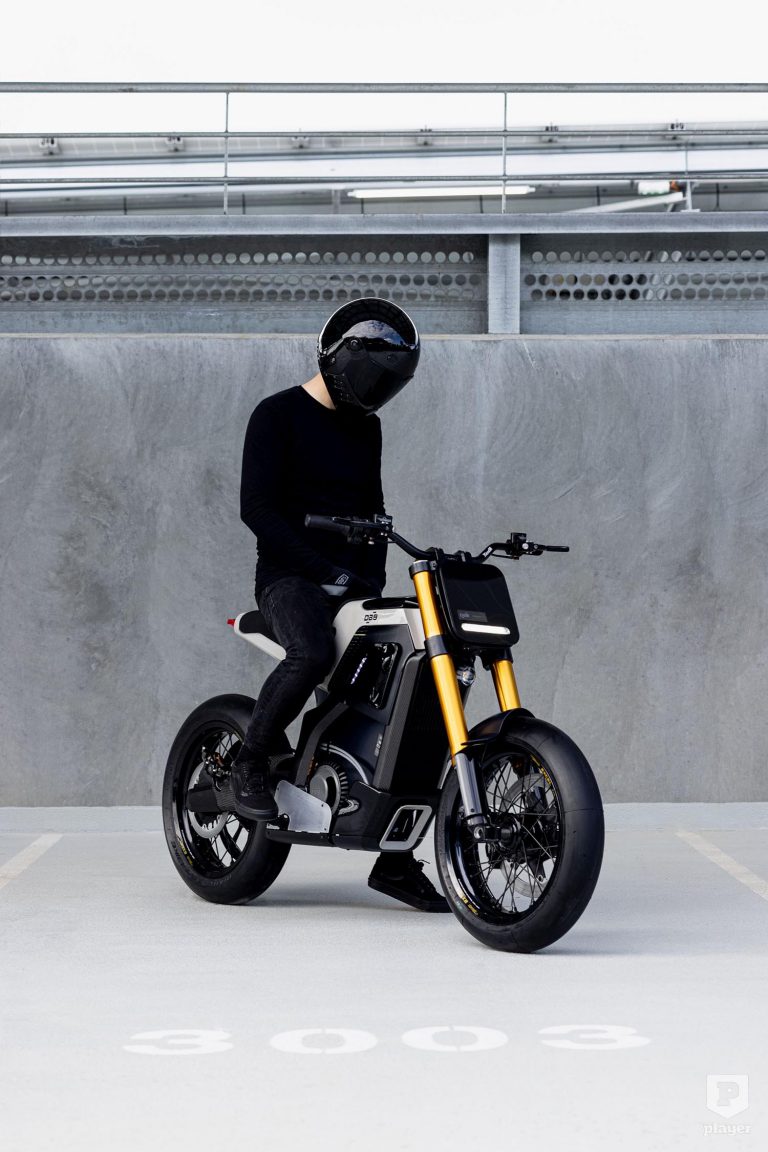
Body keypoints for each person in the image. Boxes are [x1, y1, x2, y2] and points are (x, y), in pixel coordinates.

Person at [229, 297, 449, 912]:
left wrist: (368, 584)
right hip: (287, 580)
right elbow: (256, 510)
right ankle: (249, 763)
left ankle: (395, 859)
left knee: (415, 687)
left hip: (352, 581)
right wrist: (321, 568)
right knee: (310, 652)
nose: (379, 396)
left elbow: (374, 514)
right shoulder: (276, 414)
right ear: (343, 360)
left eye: (390, 386)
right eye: (375, 380)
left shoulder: (365, 428)